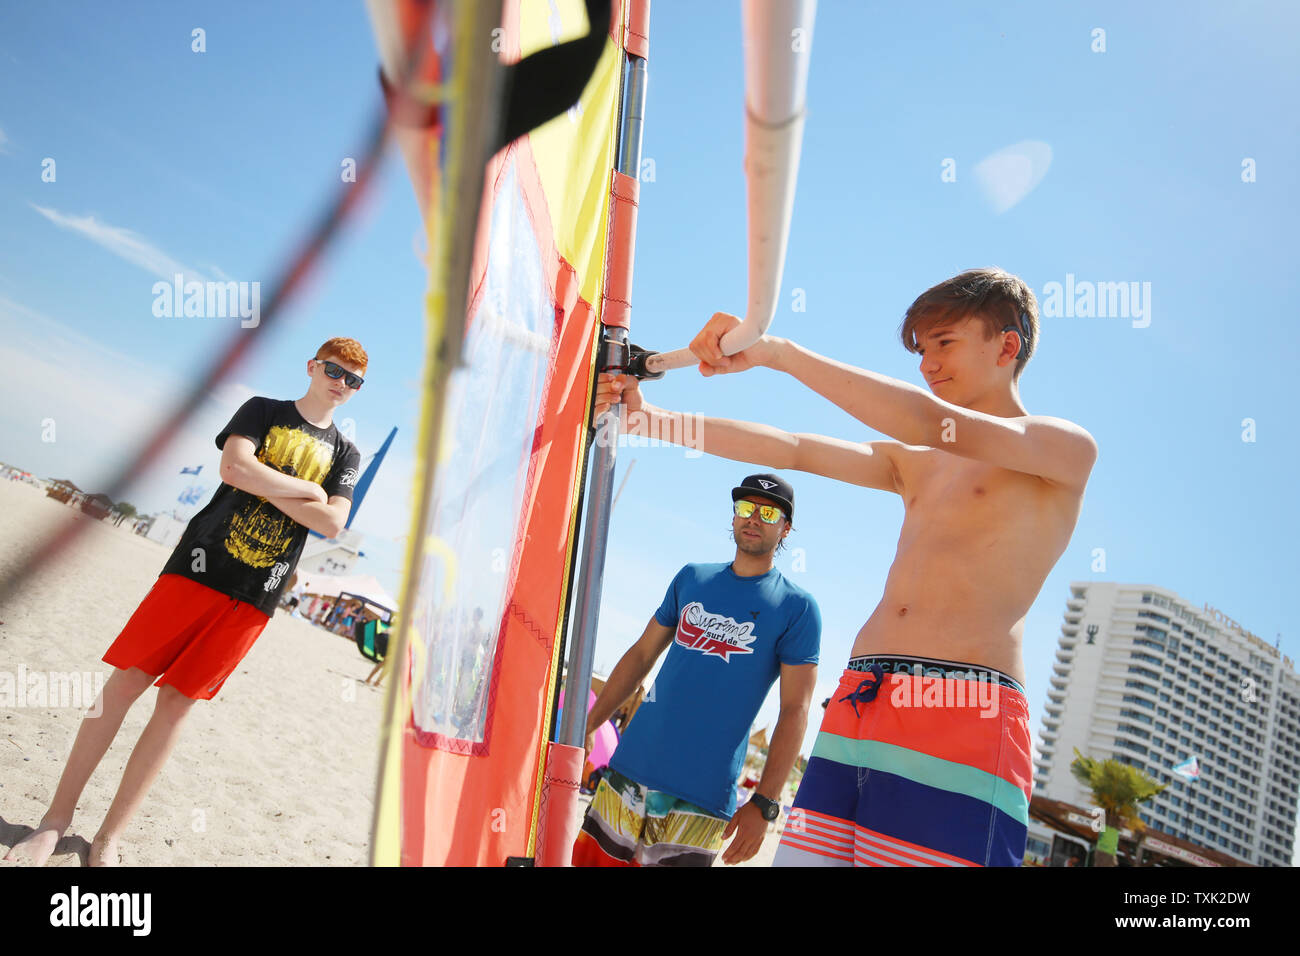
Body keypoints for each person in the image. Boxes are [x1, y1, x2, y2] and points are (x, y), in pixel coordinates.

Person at [594, 268, 1097, 867]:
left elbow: (922, 419)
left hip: (964, 707)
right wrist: (650, 421)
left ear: (1006, 346)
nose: (928, 364)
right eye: (921, 349)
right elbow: (792, 448)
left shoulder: (1062, 449)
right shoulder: (920, 462)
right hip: (861, 695)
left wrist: (779, 353)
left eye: (945, 342)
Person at [4, 337, 366, 867]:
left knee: (176, 706)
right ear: (313, 367)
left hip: (256, 594)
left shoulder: (347, 454)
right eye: (334, 370)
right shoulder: (263, 410)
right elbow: (233, 470)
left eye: (353, 380)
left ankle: (108, 838)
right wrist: (305, 492)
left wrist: (273, 485)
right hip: (198, 565)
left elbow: (333, 523)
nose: (341, 383)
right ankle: (54, 822)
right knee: (126, 680)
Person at [571, 474, 820, 867]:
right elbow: (640, 655)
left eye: (768, 511)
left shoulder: (797, 608)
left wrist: (766, 802)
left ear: (785, 527)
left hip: (700, 799)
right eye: (745, 508)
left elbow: (796, 709)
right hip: (626, 774)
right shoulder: (693, 578)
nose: (753, 518)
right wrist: (585, 727)